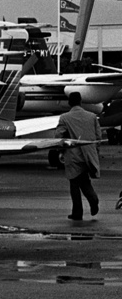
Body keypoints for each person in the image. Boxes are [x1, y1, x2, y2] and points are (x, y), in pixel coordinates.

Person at [55, 92, 102, 221]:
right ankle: (93, 199)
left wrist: (60, 150)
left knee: (74, 183)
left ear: (69, 102)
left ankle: (78, 212)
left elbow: (59, 136)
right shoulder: (92, 117)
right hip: (89, 154)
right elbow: (98, 136)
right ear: (81, 102)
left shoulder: (64, 118)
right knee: (84, 180)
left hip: (73, 156)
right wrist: (95, 151)